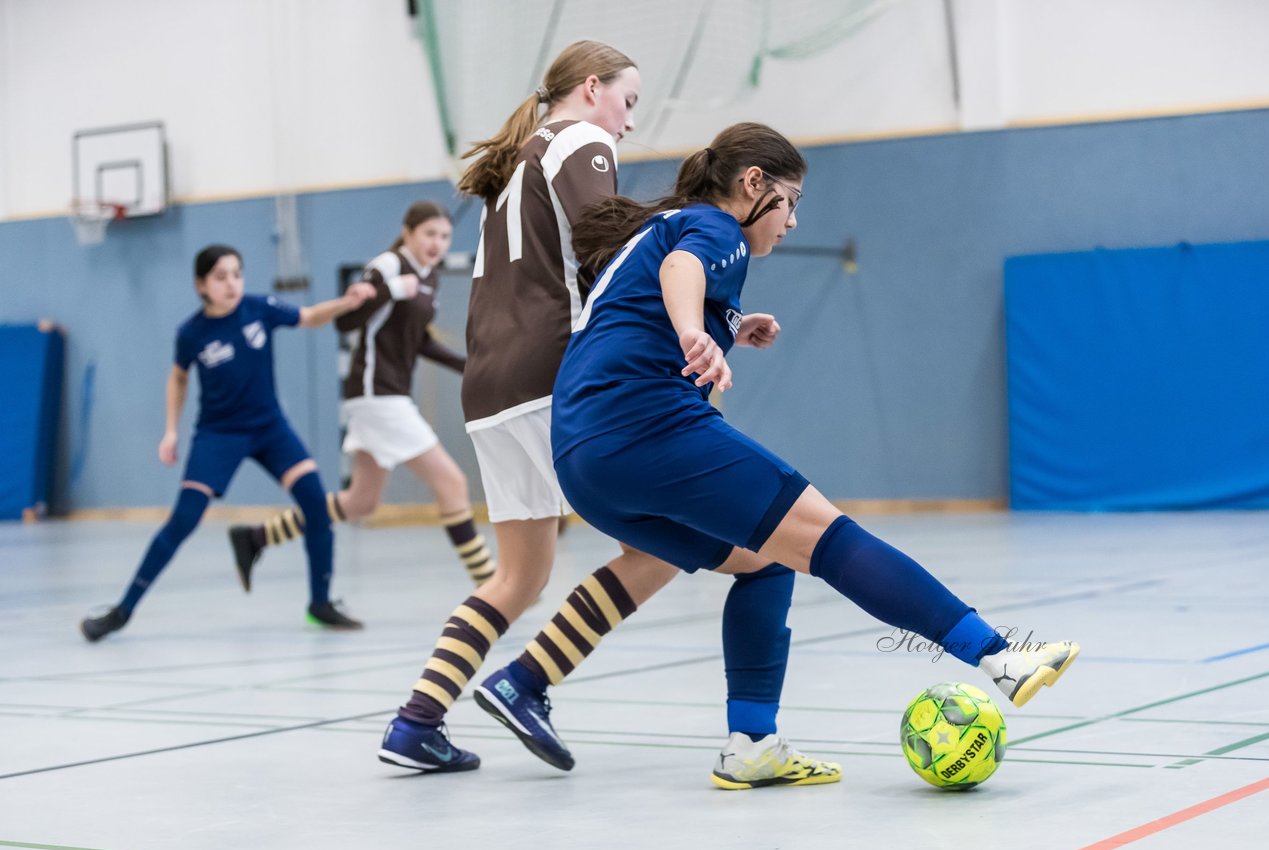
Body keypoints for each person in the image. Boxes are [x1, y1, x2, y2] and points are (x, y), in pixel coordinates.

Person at [485, 122, 1080, 788]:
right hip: (644, 426)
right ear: (752, 185)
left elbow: (646, 294)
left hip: (582, 457)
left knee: (766, 564)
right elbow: (683, 273)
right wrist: (695, 334)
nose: (792, 222)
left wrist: (731, 325)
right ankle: (999, 657)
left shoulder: (668, 228)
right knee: (831, 537)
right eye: (790, 202)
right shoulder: (716, 231)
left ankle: (752, 743)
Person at [377, 41, 842, 790]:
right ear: (591, 90)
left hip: (489, 387)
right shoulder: (580, 139)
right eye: (627, 102)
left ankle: (416, 723)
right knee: (668, 544)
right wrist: (701, 275)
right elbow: (613, 243)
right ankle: (525, 683)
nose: (628, 124)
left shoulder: (516, 164)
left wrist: (717, 315)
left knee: (520, 576)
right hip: (553, 376)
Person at [80, 245, 374, 642]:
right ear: (201, 284)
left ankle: (319, 604)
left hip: (270, 428)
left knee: (315, 504)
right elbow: (178, 378)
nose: (231, 283)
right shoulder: (192, 333)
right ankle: (122, 610)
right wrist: (171, 431)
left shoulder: (261, 308)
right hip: (219, 434)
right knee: (184, 519)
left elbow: (308, 317)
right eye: (220, 276)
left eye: (237, 273)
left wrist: (346, 301)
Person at [228, 202, 496, 592]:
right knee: (452, 484)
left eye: (444, 236)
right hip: (377, 394)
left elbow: (418, 340)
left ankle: (255, 538)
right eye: (429, 234)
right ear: (408, 233)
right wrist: (388, 291)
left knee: (360, 503)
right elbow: (346, 320)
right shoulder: (388, 266)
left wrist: (467, 366)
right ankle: (491, 586)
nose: (437, 243)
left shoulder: (429, 277)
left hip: (384, 396)